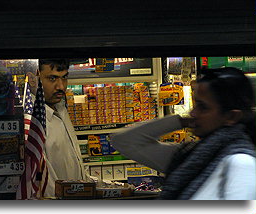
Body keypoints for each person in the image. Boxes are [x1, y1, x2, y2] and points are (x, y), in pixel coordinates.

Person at [111, 67, 256, 200]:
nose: (193, 113)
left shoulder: (240, 163)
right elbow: (125, 142)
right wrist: (181, 122)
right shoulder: (191, 155)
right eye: (195, 104)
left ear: (231, 117)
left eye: (203, 107)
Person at [32, 59, 87, 197]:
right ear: (34, 78)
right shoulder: (33, 121)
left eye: (64, 77)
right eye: (52, 78)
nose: (61, 86)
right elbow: (45, 186)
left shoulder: (61, 108)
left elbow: (72, 167)